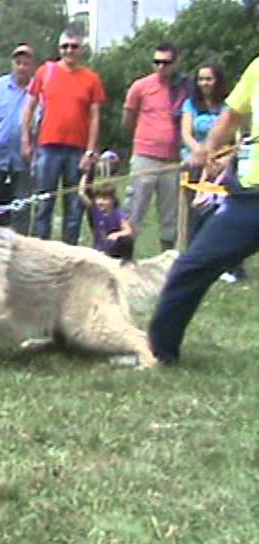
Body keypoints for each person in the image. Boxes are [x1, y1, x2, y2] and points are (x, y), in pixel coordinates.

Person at [148, 54, 259, 364]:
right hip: (250, 198)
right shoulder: (256, 68)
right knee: (190, 267)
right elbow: (232, 115)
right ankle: (160, 352)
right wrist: (207, 149)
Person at [21, 28, 106, 244]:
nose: (69, 51)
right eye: (65, 46)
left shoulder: (91, 79)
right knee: (44, 204)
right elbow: (29, 108)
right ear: (59, 49)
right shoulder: (45, 72)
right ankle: (41, 250)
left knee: (74, 208)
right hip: (48, 146)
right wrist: (26, 140)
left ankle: (69, 252)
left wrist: (90, 151)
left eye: (74, 46)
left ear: (82, 49)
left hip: (77, 150)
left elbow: (95, 117)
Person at [123, 42, 189, 253]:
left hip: (173, 160)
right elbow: (128, 117)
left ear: (175, 63)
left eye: (166, 62)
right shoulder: (140, 86)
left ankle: (167, 258)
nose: (161, 67)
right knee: (134, 210)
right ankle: (124, 255)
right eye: (157, 62)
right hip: (145, 157)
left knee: (170, 215)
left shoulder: (184, 88)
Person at [180, 62, 243, 281]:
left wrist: (225, 159)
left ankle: (229, 265)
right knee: (196, 214)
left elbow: (237, 139)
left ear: (217, 81)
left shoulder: (228, 105)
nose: (204, 83)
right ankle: (195, 262)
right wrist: (202, 153)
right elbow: (186, 134)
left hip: (224, 166)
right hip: (196, 162)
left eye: (209, 79)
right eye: (201, 79)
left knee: (225, 215)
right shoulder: (190, 104)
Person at [0, 43, 35, 231]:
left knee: (21, 206)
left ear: (32, 65)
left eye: (26, 63)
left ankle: (20, 243)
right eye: (18, 62)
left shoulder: (38, 90)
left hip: (24, 157)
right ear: (12, 64)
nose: (21, 67)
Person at [81, 183, 134, 260]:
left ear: (112, 200)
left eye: (105, 199)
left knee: (127, 240)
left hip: (113, 251)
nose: (100, 202)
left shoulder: (118, 214)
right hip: (99, 250)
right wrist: (85, 175)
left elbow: (128, 230)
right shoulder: (95, 210)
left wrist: (117, 234)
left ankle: (126, 261)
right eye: (98, 198)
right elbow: (81, 194)